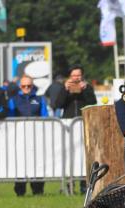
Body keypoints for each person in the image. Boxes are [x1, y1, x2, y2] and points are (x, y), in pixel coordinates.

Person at [54, 65, 97, 194]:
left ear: (82, 76)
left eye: (78, 75)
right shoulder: (64, 88)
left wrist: (85, 90)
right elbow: (57, 104)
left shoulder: (88, 87)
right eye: (73, 76)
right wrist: (65, 90)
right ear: (69, 77)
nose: (76, 78)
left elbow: (93, 103)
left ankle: (84, 184)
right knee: (68, 155)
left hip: (84, 123)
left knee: (83, 155)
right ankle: (68, 183)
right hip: (68, 125)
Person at [8, 75, 48, 196]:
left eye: (29, 86)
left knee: (38, 162)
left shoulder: (40, 99)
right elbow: (10, 117)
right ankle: (20, 191)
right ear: (20, 86)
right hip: (19, 138)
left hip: (37, 138)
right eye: (24, 86)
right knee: (20, 163)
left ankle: (38, 190)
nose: (26, 88)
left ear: (32, 86)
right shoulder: (13, 100)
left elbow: (45, 116)